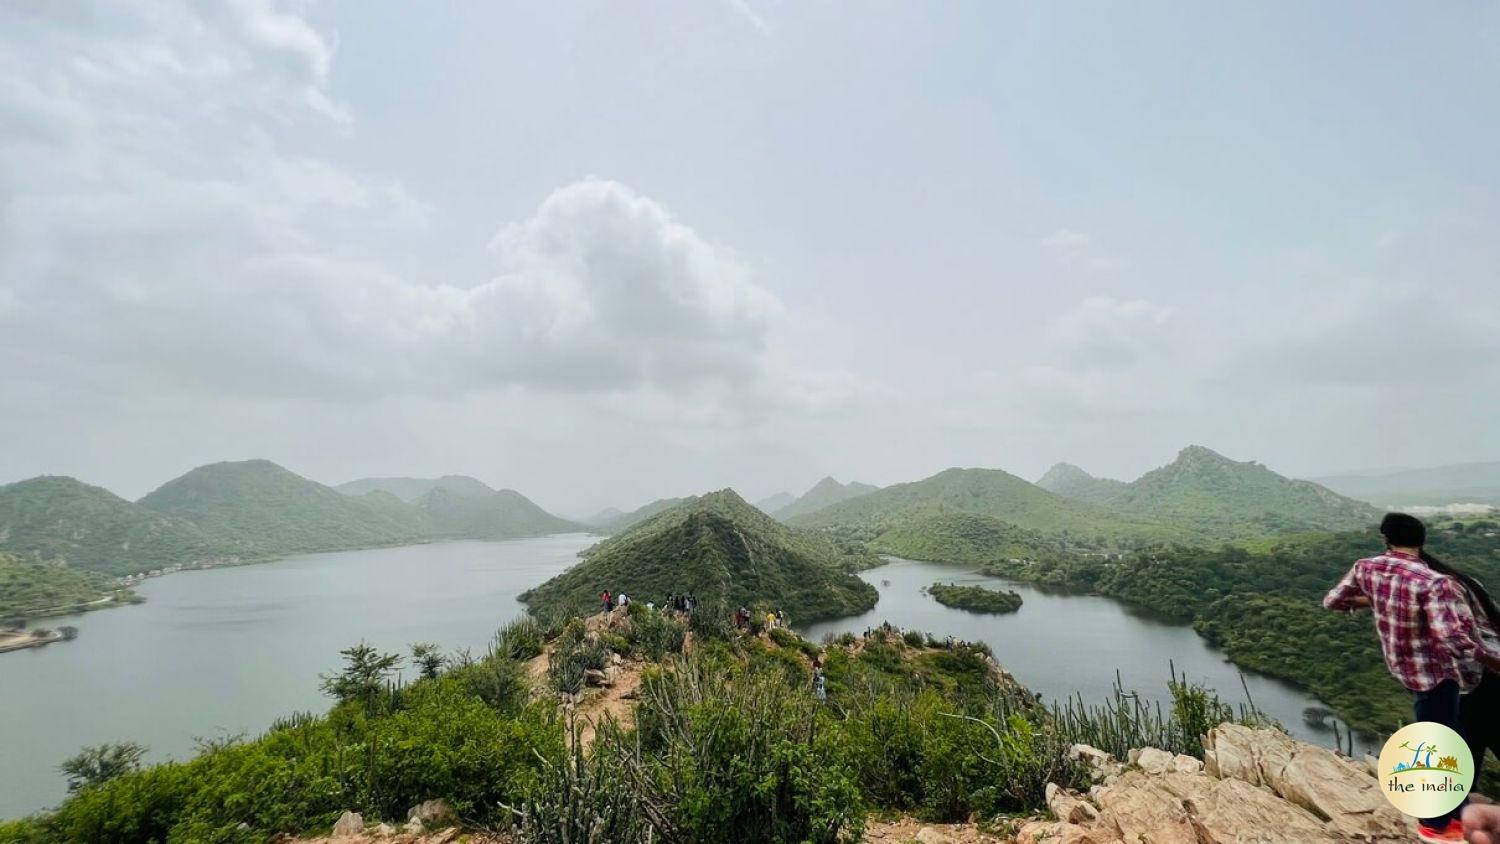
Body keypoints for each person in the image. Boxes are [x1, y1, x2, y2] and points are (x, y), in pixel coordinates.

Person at [1324, 513, 1500, 843]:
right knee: (1440, 740)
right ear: (1422, 540)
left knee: (1456, 733)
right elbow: (1453, 641)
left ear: (1385, 539)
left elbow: (1333, 601)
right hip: (1441, 675)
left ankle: (1458, 803)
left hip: (1405, 671)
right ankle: (1437, 821)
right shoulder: (1435, 582)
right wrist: (1491, 659)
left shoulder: (1367, 568)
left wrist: (1379, 600)